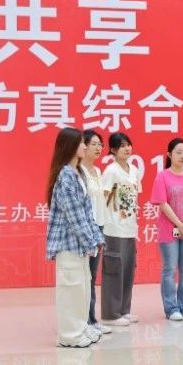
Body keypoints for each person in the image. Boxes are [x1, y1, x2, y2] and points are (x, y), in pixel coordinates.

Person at [45, 127, 104, 348]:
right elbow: (74, 215)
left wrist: (95, 238)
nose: (85, 146)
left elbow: (88, 212)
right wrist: (90, 241)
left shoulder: (79, 173)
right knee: (70, 290)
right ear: (70, 146)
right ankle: (69, 335)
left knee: (82, 288)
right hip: (69, 245)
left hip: (80, 245)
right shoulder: (65, 176)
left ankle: (80, 327)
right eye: (81, 143)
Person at [150, 138, 183, 321]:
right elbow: (162, 203)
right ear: (169, 155)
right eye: (178, 152)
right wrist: (179, 224)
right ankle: (172, 308)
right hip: (169, 230)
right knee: (170, 268)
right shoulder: (162, 176)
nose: (182, 156)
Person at [100, 132, 141, 327]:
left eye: (128, 145)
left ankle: (124, 310)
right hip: (114, 228)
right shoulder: (111, 171)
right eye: (122, 146)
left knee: (127, 270)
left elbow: (134, 197)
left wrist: (129, 212)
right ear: (113, 150)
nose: (127, 148)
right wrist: (118, 208)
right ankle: (111, 314)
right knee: (114, 269)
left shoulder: (134, 170)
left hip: (130, 228)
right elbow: (104, 197)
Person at [79, 130, 112, 334]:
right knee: (83, 276)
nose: (98, 148)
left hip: (99, 227)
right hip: (86, 229)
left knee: (91, 276)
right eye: (93, 144)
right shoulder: (79, 171)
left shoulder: (98, 171)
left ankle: (91, 319)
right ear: (83, 146)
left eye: (100, 144)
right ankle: (83, 321)